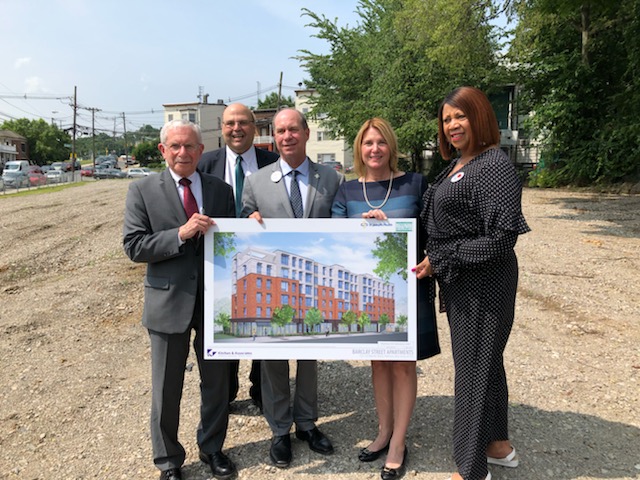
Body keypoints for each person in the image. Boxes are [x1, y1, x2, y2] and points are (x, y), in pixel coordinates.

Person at [413, 86, 530, 480]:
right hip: (464, 280)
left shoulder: (493, 163)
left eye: (459, 116)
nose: (452, 126)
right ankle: (498, 447)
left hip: (485, 281)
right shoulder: (461, 163)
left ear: (478, 116)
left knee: (473, 371)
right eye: (446, 120)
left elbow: (501, 238)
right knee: (485, 362)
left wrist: (441, 258)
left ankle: (470, 468)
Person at [123, 119, 237, 480]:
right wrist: (180, 234)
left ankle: (213, 448)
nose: (183, 153)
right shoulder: (142, 190)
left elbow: (233, 241)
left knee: (217, 384)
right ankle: (168, 461)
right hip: (167, 304)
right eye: (175, 146)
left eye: (190, 146)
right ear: (163, 150)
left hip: (214, 303)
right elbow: (134, 246)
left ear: (201, 151)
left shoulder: (220, 190)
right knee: (166, 388)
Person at [331, 118, 440, 480]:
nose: (374, 149)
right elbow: (334, 239)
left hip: (409, 287)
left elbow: (434, 231)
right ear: (359, 149)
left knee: (403, 364)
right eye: (367, 143)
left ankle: (398, 442)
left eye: (380, 142)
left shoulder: (415, 183)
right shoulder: (346, 191)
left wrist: (432, 259)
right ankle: (383, 431)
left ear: (391, 146)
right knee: (379, 363)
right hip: (370, 295)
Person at [241, 108, 343, 468]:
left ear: (306, 132)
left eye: (293, 130)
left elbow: (341, 225)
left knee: (309, 357)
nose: (287, 136)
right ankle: (280, 429)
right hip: (277, 283)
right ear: (274, 135)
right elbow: (241, 225)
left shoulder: (330, 178)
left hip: (313, 285)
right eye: (280, 131)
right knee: (272, 360)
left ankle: (307, 424)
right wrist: (247, 220)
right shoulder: (256, 181)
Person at [199, 102, 279, 411]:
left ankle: (261, 391)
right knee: (225, 323)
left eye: (243, 122)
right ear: (222, 128)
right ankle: (227, 391)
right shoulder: (205, 164)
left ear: (254, 128)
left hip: (261, 255)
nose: (237, 128)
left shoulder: (273, 162)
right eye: (230, 123)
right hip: (217, 260)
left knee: (262, 320)